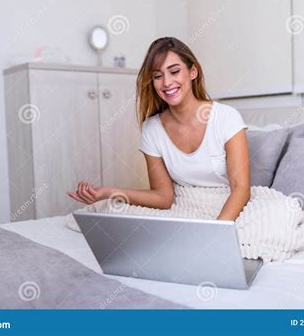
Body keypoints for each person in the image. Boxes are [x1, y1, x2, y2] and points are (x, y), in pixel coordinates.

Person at [68, 37, 251, 221]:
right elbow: (164, 197)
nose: (166, 82)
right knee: (110, 215)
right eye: (157, 76)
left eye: (174, 71)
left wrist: (217, 230)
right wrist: (109, 192)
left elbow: (240, 188)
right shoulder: (152, 129)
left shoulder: (227, 117)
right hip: (185, 206)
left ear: (193, 71)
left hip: (229, 205)